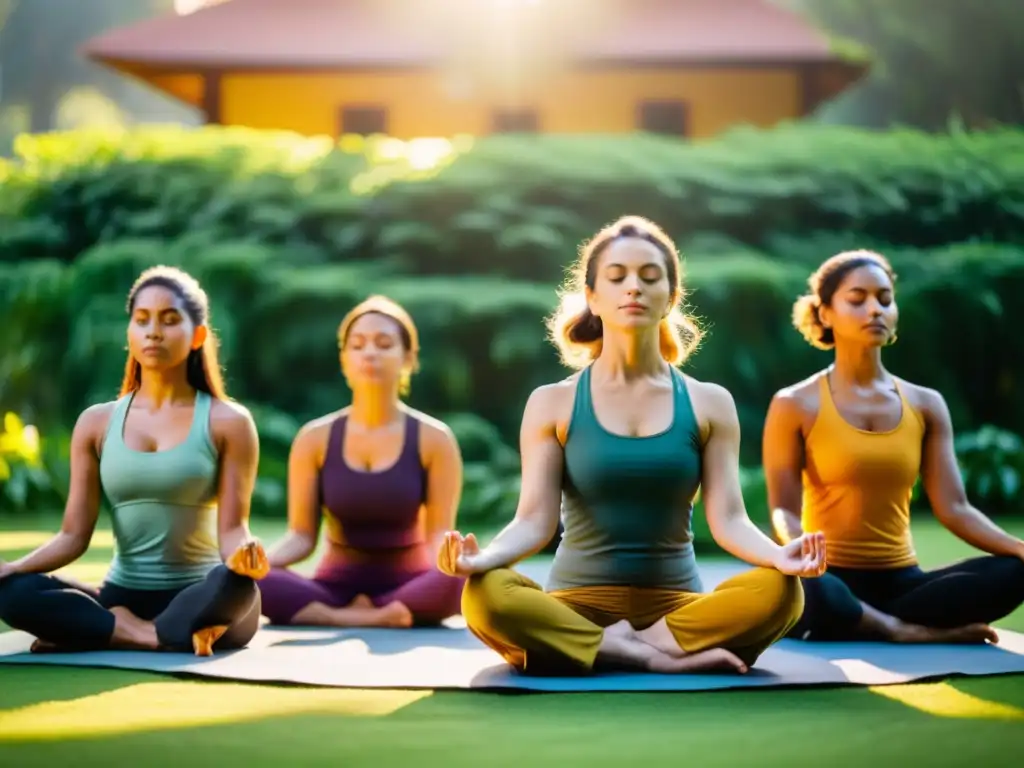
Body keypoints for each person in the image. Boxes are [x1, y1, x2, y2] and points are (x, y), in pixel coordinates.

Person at [437, 216, 826, 676]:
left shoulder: (709, 402)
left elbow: (729, 519)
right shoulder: (553, 402)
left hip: (676, 609)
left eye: (649, 276)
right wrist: (483, 559)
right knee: (485, 593)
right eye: (617, 277)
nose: (634, 288)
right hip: (575, 604)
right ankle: (638, 652)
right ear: (593, 298)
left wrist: (779, 556)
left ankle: (628, 646)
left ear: (671, 296)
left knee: (782, 592)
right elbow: (533, 521)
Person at [0, 266, 269, 656]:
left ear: (197, 336)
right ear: (130, 334)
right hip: (120, 597)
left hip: (202, 594)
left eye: (169, 320)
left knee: (239, 587)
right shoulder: (96, 422)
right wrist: (15, 568)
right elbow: (73, 536)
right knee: (13, 592)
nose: (153, 331)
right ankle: (151, 633)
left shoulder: (229, 421)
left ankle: (104, 631)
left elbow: (233, 530)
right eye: (142, 320)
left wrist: (247, 555)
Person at [763, 249, 1024, 644]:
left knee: (1013, 571)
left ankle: (873, 621)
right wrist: (800, 551)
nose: (875, 310)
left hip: (904, 585)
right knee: (804, 589)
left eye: (885, 299)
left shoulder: (925, 404)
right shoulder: (794, 404)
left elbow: (954, 509)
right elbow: (783, 507)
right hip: (827, 578)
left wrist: (1020, 548)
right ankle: (898, 630)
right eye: (857, 299)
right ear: (826, 313)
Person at [259, 295, 465, 628]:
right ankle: (365, 617)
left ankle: (341, 617)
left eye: (384, 344)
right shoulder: (314, 438)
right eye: (358, 345)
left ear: (408, 357)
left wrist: (459, 557)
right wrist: (259, 563)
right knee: (254, 578)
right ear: (344, 359)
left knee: (463, 577)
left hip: (409, 585)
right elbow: (301, 535)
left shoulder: (435, 438)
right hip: (334, 587)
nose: (370, 352)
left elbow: (437, 534)